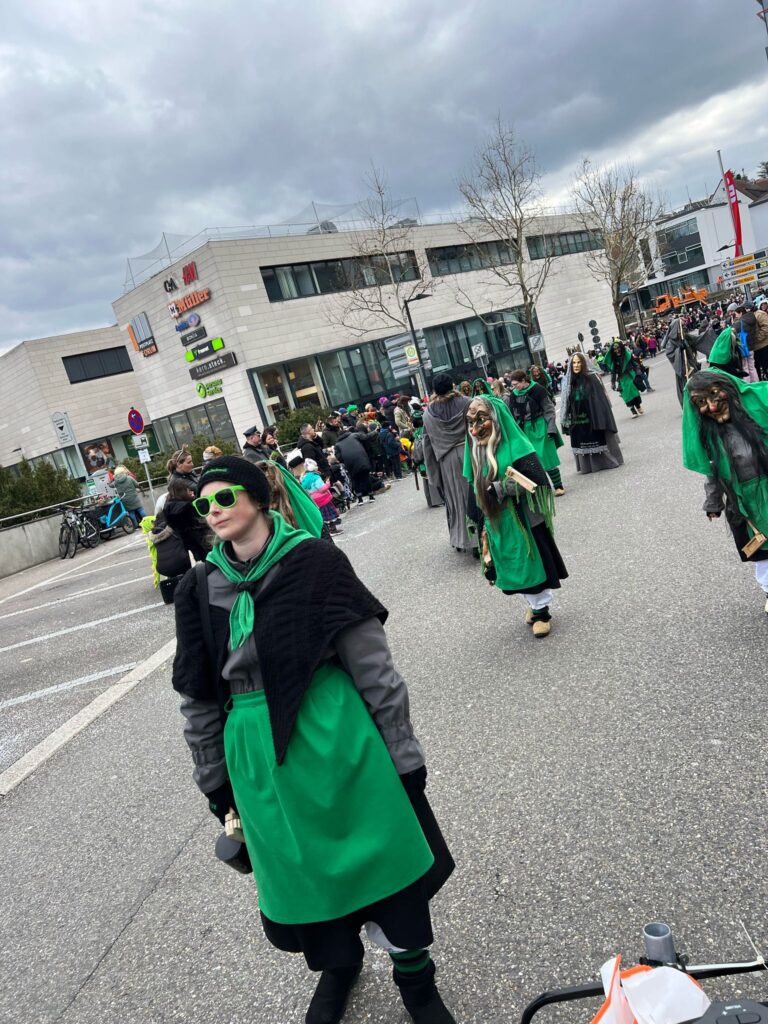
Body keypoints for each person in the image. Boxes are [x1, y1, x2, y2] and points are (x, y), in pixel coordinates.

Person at [171, 456, 456, 1024]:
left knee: (382, 862)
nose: (214, 511)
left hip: (336, 734)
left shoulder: (316, 561)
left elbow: (373, 666)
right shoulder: (198, 587)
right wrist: (214, 781)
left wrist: (404, 755)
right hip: (258, 758)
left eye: (225, 497)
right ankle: (339, 966)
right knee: (304, 874)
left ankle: (416, 978)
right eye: (205, 504)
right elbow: (198, 695)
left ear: (258, 498)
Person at [463, 396, 568, 637]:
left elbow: (538, 481)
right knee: (513, 566)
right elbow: (473, 485)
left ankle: (541, 612)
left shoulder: (518, 446)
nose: (474, 429)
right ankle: (533, 604)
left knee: (531, 564)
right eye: (470, 422)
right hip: (497, 522)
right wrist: (477, 518)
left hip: (523, 519)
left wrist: (502, 488)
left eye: (481, 420)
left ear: (496, 419)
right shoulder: (476, 450)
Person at [683, 370, 768, 613]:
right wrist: (713, 503)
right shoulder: (709, 436)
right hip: (744, 502)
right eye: (701, 402)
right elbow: (713, 473)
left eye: (714, 394)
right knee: (763, 553)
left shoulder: (757, 414)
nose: (711, 406)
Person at [422, 374, 477, 555]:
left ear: (434, 390)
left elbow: (427, 444)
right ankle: (486, 535)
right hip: (472, 452)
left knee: (457, 500)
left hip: (448, 461)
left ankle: (465, 539)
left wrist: (433, 473)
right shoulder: (468, 403)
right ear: (453, 386)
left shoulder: (428, 414)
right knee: (478, 493)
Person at [559, 353, 623, 473]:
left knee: (598, 437)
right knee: (581, 439)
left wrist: (599, 416)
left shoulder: (592, 377)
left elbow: (599, 399)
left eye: (579, 362)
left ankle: (606, 462)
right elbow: (566, 401)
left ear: (584, 363)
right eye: (574, 363)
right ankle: (586, 466)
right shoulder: (568, 381)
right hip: (577, 417)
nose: (576, 365)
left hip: (592, 414)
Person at [506, 370, 565, 495]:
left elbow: (549, 409)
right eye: (513, 385)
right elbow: (512, 415)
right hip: (524, 429)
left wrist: (551, 428)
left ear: (523, 381)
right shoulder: (514, 395)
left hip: (540, 426)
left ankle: (558, 486)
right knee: (532, 462)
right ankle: (544, 488)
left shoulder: (538, 389)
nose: (514, 387)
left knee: (547, 457)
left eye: (516, 384)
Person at [163, 477, 214, 561]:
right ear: (182, 491)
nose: (191, 491)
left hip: (183, 548)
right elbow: (199, 527)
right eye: (188, 490)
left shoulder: (167, 507)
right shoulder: (188, 507)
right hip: (200, 546)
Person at [600, 340, 644, 417]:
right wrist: (613, 383)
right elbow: (613, 373)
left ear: (621, 348)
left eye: (618, 348)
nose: (617, 350)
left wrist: (638, 371)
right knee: (626, 396)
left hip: (630, 377)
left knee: (635, 393)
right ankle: (633, 411)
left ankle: (638, 406)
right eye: (615, 349)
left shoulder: (628, 355)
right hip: (622, 380)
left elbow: (635, 364)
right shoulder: (614, 360)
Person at [300, 457, 343, 536]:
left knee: (322, 516)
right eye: (315, 466)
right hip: (323, 499)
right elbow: (322, 489)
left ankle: (326, 531)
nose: (317, 467)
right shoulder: (315, 477)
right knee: (329, 516)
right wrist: (327, 484)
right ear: (312, 467)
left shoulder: (304, 478)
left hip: (315, 500)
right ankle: (333, 530)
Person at [411, 410, 443, 508]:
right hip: (427, 457)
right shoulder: (425, 431)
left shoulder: (416, 433)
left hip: (420, 460)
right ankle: (437, 500)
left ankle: (430, 501)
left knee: (426, 480)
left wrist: (416, 460)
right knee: (432, 477)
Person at [335, 426, 375, 502]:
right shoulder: (354, 435)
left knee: (355, 480)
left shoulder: (337, 444)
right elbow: (365, 437)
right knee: (366, 477)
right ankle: (371, 496)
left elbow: (338, 457)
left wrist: (345, 461)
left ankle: (360, 499)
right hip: (362, 459)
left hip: (350, 464)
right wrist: (374, 432)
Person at [753, 298, 768, 381]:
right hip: (756, 347)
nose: (764, 306)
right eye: (762, 305)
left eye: (765, 304)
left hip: (763, 344)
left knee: (765, 364)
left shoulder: (760, 314)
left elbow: (766, 327)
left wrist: (758, 338)